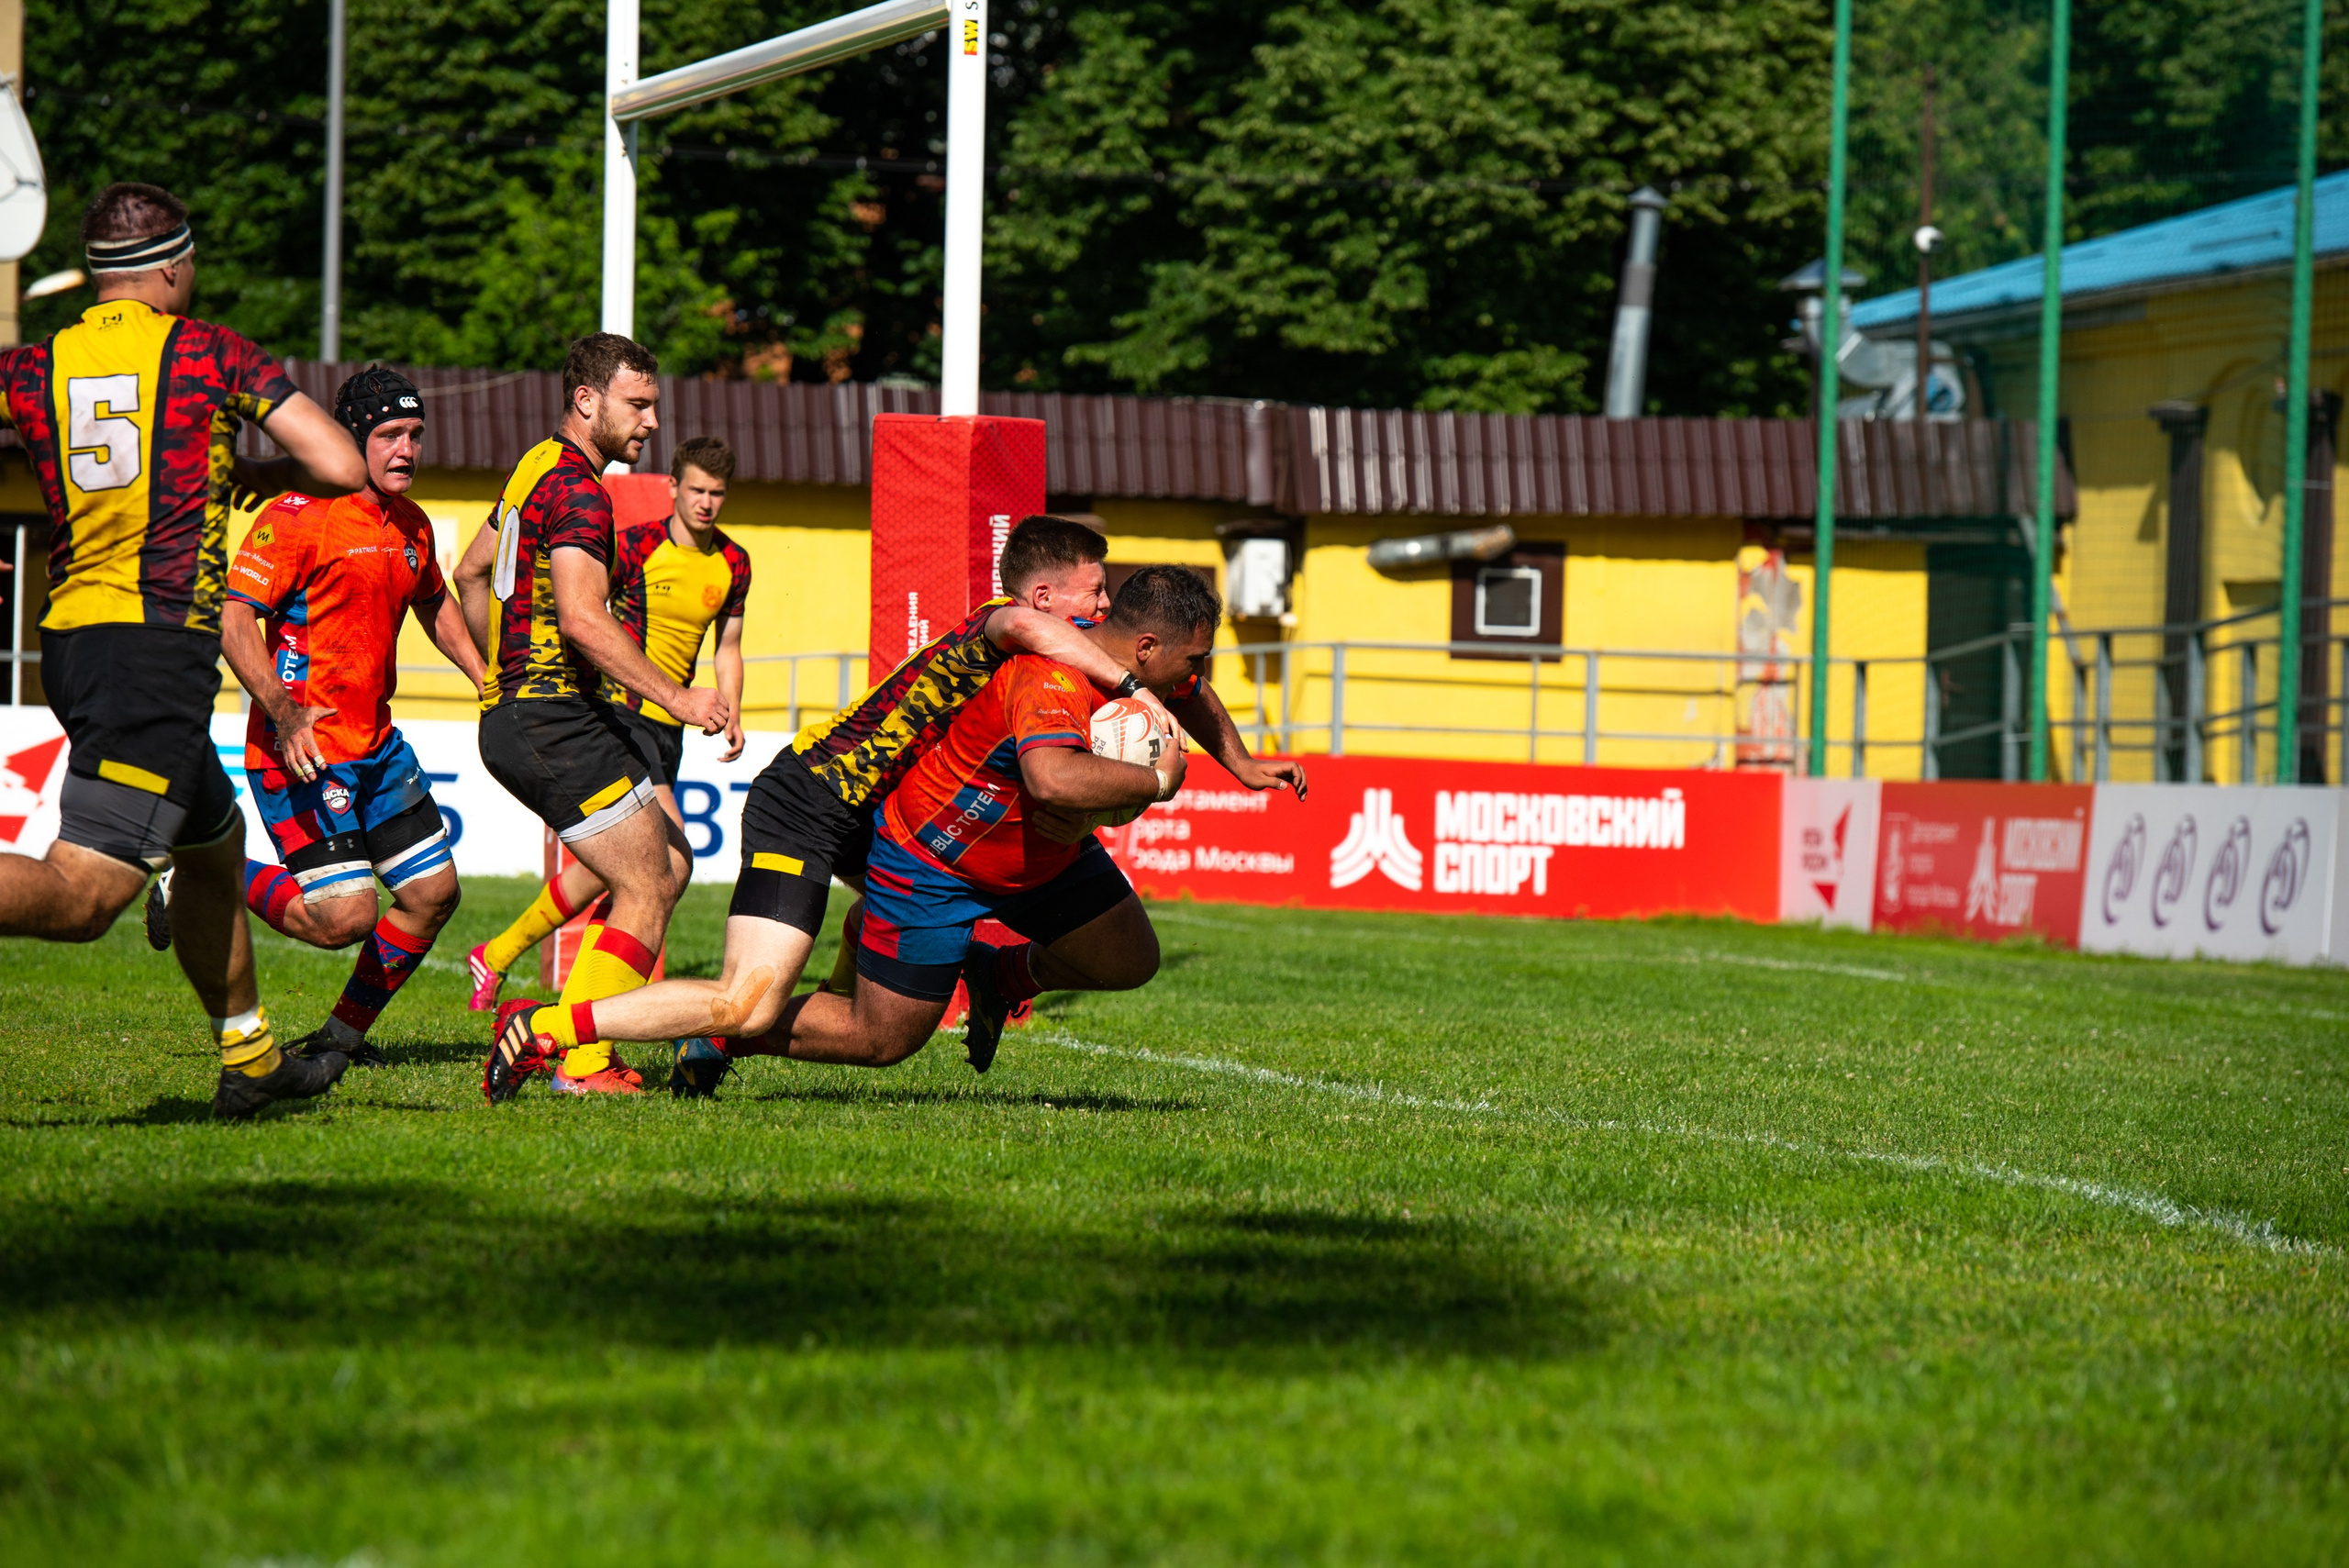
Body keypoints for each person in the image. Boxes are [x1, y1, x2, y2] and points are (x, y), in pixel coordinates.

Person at [479, 514, 1181, 1095]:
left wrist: (1239, 761)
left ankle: (713, 1037)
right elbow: (1040, 636)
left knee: (872, 1004)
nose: (1103, 609)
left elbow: (1175, 666)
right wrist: (1132, 687)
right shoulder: (1007, 623)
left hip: (874, 816)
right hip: (808, 803)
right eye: (1093, 594)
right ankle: (551, 1029)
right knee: (745, 999)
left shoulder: (1056, 647)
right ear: (1042, 597)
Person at [0, 182, 367, 1119]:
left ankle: (249, 1059)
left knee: (213, 843)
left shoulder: (32, 365)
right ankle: (247, 1058)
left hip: (76, 636)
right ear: (170, 265)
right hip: (154, 646)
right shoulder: (209, 353)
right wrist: (254, 466)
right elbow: (340, 463)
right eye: (191, 263)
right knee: (86, 897)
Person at [449, 333, 728, 1097]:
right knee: (646, 878)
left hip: (534, 711)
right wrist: (679, 698)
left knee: (668, 863)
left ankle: (557, 1029)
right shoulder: (578, 489)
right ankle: (578, 1056)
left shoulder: (534, 465)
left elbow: (470, 574)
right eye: (637, 405)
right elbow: (581, 617)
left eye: (653, 406)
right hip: (549, 717)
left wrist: (489, 673)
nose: (649, 423)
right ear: (587, 400)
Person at [185, 365, 484, 1067]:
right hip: (303, 748)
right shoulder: (298, 513)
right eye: (389, 436)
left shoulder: (410, 524)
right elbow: (234, 623)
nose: (407, 449)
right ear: (352, 440)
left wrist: (485, 677)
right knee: (344, 920)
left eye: (414, 434)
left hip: (376, 748)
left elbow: (435, 603)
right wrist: (286, 713)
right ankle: (205, 878)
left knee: (433, 894)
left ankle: (341, 1040)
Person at [466, 434, 750, 1011]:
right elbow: (586, 612)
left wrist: (734, 707)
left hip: (673, 724)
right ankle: (583, 1019)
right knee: (667, 862)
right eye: (696, 489)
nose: (706, 503)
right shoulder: (636, 546)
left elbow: (730, 647)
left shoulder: (734, 562)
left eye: (717, 493)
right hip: (627, 713)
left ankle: (499, 958)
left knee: (620, 871)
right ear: (673, 487)